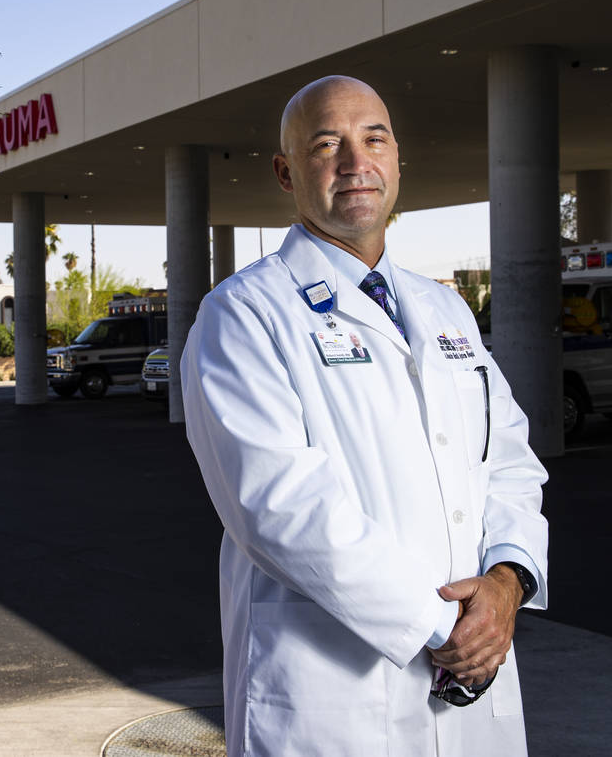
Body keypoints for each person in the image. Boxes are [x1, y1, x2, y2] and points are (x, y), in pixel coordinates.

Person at [180, 76, 548, 757]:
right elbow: (280, 508)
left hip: (475, 682)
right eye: (327, 145)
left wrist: (505, 585)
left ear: (397, 158)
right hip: (335, 703)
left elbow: (510, 463)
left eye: (373, 138)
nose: (356, 162)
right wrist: (449, 629)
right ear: (287, 173)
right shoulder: (243, 315)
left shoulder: (444, 311)